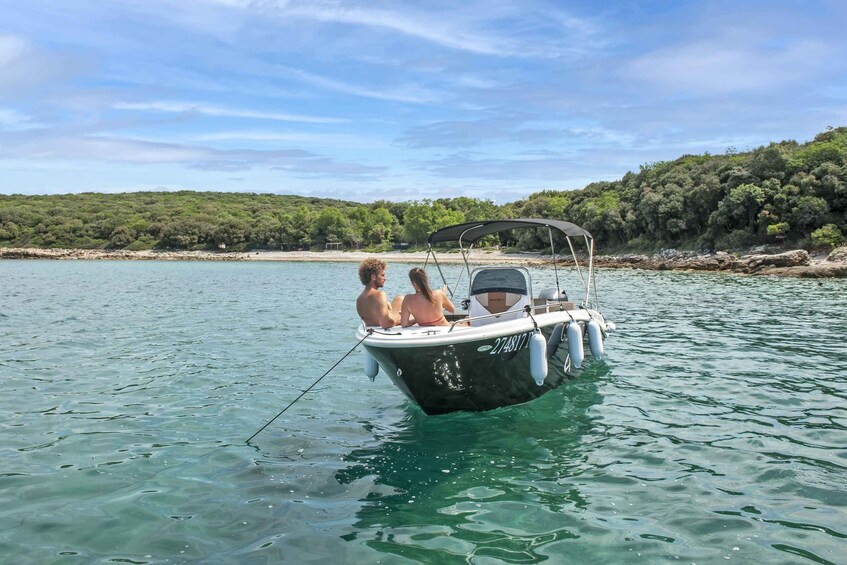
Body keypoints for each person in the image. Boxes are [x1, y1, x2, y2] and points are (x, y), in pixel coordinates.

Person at [356, 258, 404, 328]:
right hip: (384, 327)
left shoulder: (359, 299)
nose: (385, 278)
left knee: (398, 299)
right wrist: (400, 319)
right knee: (401, 299)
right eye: (382, 275)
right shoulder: (380, 295)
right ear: (373, 277)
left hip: (373, 330)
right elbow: (386, 324)